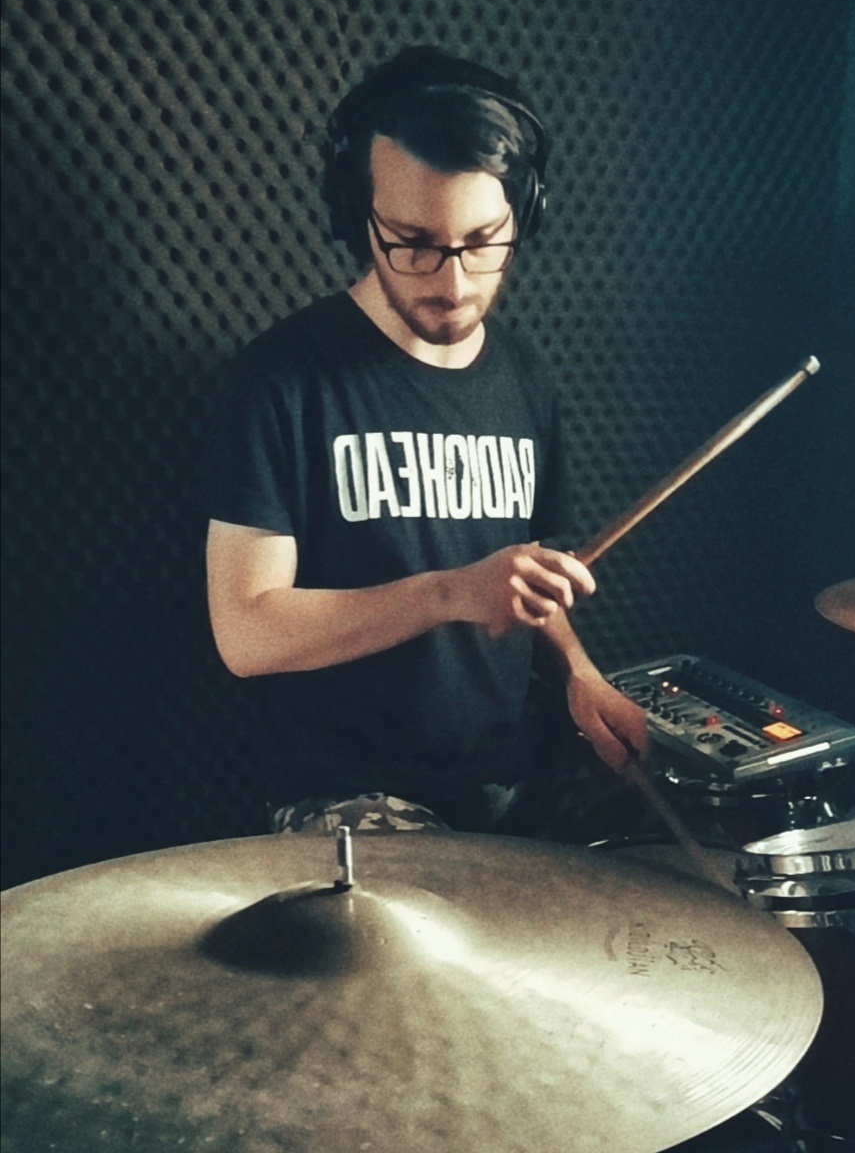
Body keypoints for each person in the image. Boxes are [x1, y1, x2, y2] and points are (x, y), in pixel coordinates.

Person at [204, 46, 647, 837]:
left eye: (483, 241)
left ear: (526, 213)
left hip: (512, 782)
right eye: (413, 242)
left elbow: (524, 586)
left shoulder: (526, 376)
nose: (453, 282)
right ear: (356, 216)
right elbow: (247, 630)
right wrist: (449, 593)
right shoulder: (282, 379)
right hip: (348, 795)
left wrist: (581, 676)